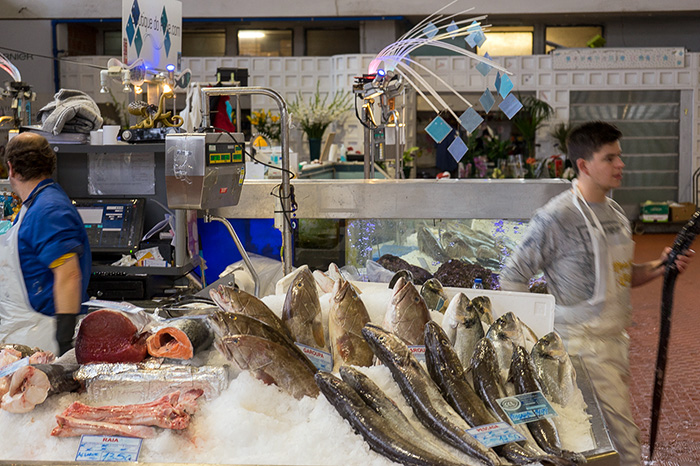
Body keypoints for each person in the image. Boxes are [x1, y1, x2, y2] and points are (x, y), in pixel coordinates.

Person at [500, 121, 694, 465]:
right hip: (580, 349)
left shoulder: (615, 212)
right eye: (610, 158)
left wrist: (659, 267)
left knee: (600, 440)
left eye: (620, 157)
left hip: (614, 343)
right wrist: (526, 341)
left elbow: (619, 275)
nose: (621, 165)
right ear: (585, 165)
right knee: (624, 443)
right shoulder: (555, 218)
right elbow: (513, 276)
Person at [0, 132, 91, 356]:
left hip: (44, 341)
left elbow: (69, 275)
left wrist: (63, 341)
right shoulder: (35, 204)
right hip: (25, 337)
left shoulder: (48, 209)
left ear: (11, 168)